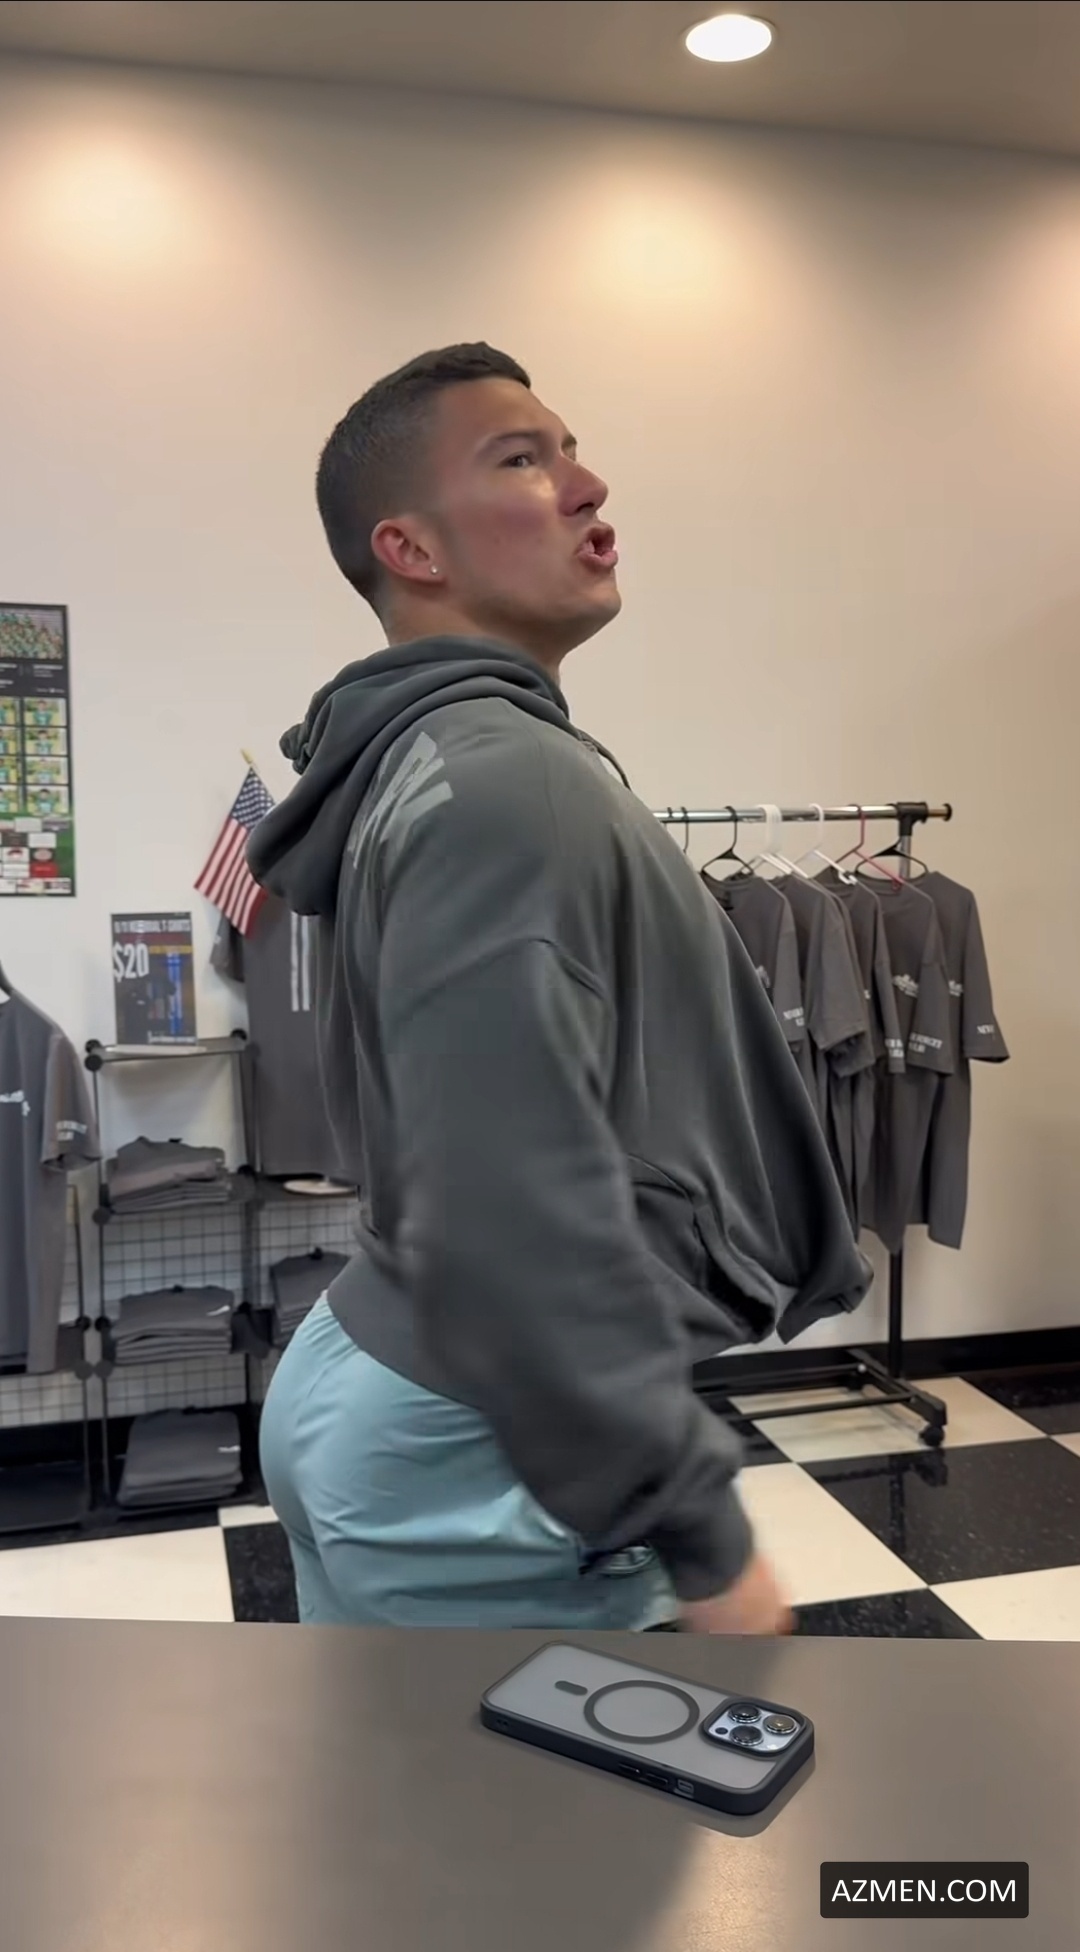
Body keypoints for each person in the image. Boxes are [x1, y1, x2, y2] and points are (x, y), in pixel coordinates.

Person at [250, 343, 870, 1633]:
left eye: (572, 451)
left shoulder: (429, 760)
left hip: (397, 1372)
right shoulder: (504, 780)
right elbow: (505, 1194)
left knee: (399, 1766)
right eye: (522, 460)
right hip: (476, 1436)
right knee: (550, 1778)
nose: (587, 486)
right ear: (411, 549)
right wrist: (699, 1530)